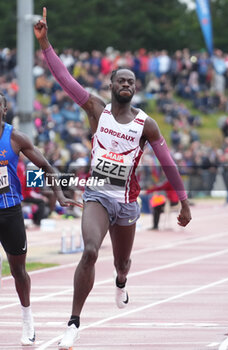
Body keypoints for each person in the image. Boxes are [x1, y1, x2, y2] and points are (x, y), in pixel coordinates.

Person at [34, 8, 192, 349]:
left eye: (131, 81)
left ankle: (121, 280)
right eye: (121, 80)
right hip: (97, 195)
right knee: (90, 251)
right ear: (111, 84)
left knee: (121, 262)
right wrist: (45, 44)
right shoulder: (95, 109)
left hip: (127, 201)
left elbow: (167, 162)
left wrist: (183, 201)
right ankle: (74, 322)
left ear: (136, 88)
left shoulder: (146, 125)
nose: (126, 85)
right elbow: (64, 78)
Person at [0, 92, 81, 346]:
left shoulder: (15, 138)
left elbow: (47, 166)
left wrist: (59, 195)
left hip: (10, 212)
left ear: (4, 109)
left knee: (18, 270)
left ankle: (27, 320)